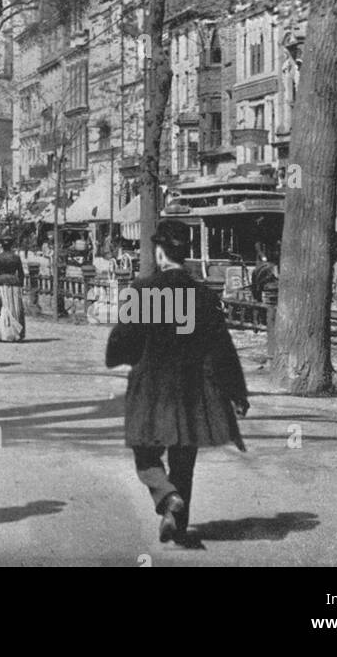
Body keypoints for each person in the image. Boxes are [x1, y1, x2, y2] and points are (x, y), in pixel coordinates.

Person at [105, 219, 249, 547]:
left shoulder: (143, 291)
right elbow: (221, 347)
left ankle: (166, 496)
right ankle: (179, 526)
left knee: (145, 450)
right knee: (184, 461)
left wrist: (119, 356)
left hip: (152, 389)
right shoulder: (202, 296)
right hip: (193, 390)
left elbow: (124, 341)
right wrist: (237, 392)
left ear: (159, 253)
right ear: (185, 253)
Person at [0, 238, 26, 342]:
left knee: (0, 307)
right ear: (11, 246)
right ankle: (15, 334)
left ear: (1, 246)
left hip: (1, 283)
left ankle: (1, 334)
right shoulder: (16, 258)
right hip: (14, 284)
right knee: (15, 308)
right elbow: (21, 273)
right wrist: (20, 286)